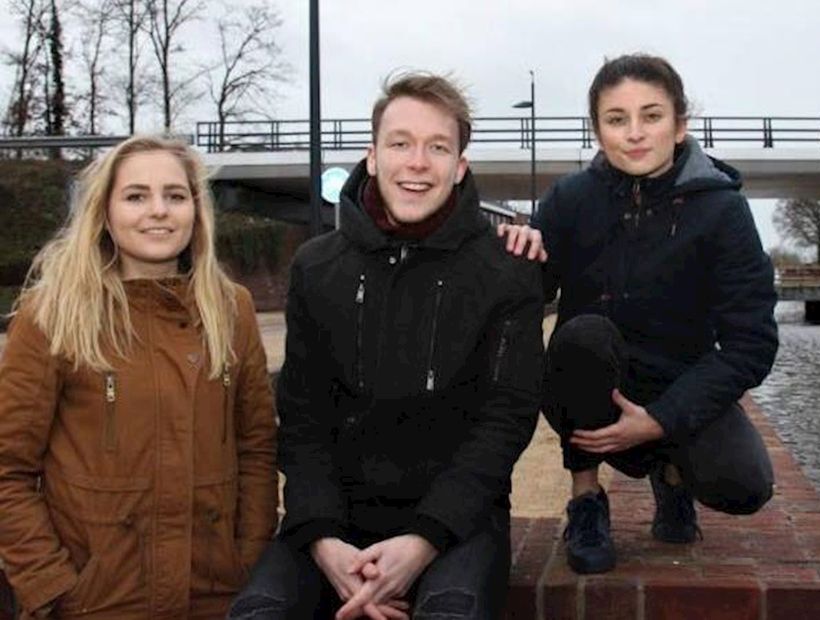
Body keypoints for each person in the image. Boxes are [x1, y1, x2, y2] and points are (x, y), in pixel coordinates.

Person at [229, 72, 543, 620]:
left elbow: (505, 421)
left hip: (457, 523)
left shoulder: (506, 272)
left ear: (459, 167)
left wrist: (424, 539)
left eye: (437, 147)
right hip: (334, 521)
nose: (417, 162)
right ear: (372, 157)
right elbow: (302, 419)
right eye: (400, 143)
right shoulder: (317, 267)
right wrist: (324, 541)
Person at [499, 53, 778, 574]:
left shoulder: (723, 210)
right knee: (582, 336)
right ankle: (586, 498)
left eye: (651, 116)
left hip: (681, 385)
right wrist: (515, 260)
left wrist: (661, 419)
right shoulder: (569, 199)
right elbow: (523, 301)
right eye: (616, 119)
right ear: (597, 130)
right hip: (591, 380)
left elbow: (752, 344)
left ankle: (672, 475)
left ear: (680, 125)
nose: (634, 133)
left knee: (744, 484)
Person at [0, 135, 278, 617]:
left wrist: (248, 559)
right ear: (104, 212)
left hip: (213, 598)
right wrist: (51, 585)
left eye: (175, 195)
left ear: (196, 209)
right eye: (136, 196)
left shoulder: (232, 309)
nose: (159, 211)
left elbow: (256, 448)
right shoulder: (52, 313)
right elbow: (7, 467)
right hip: (95, 602)